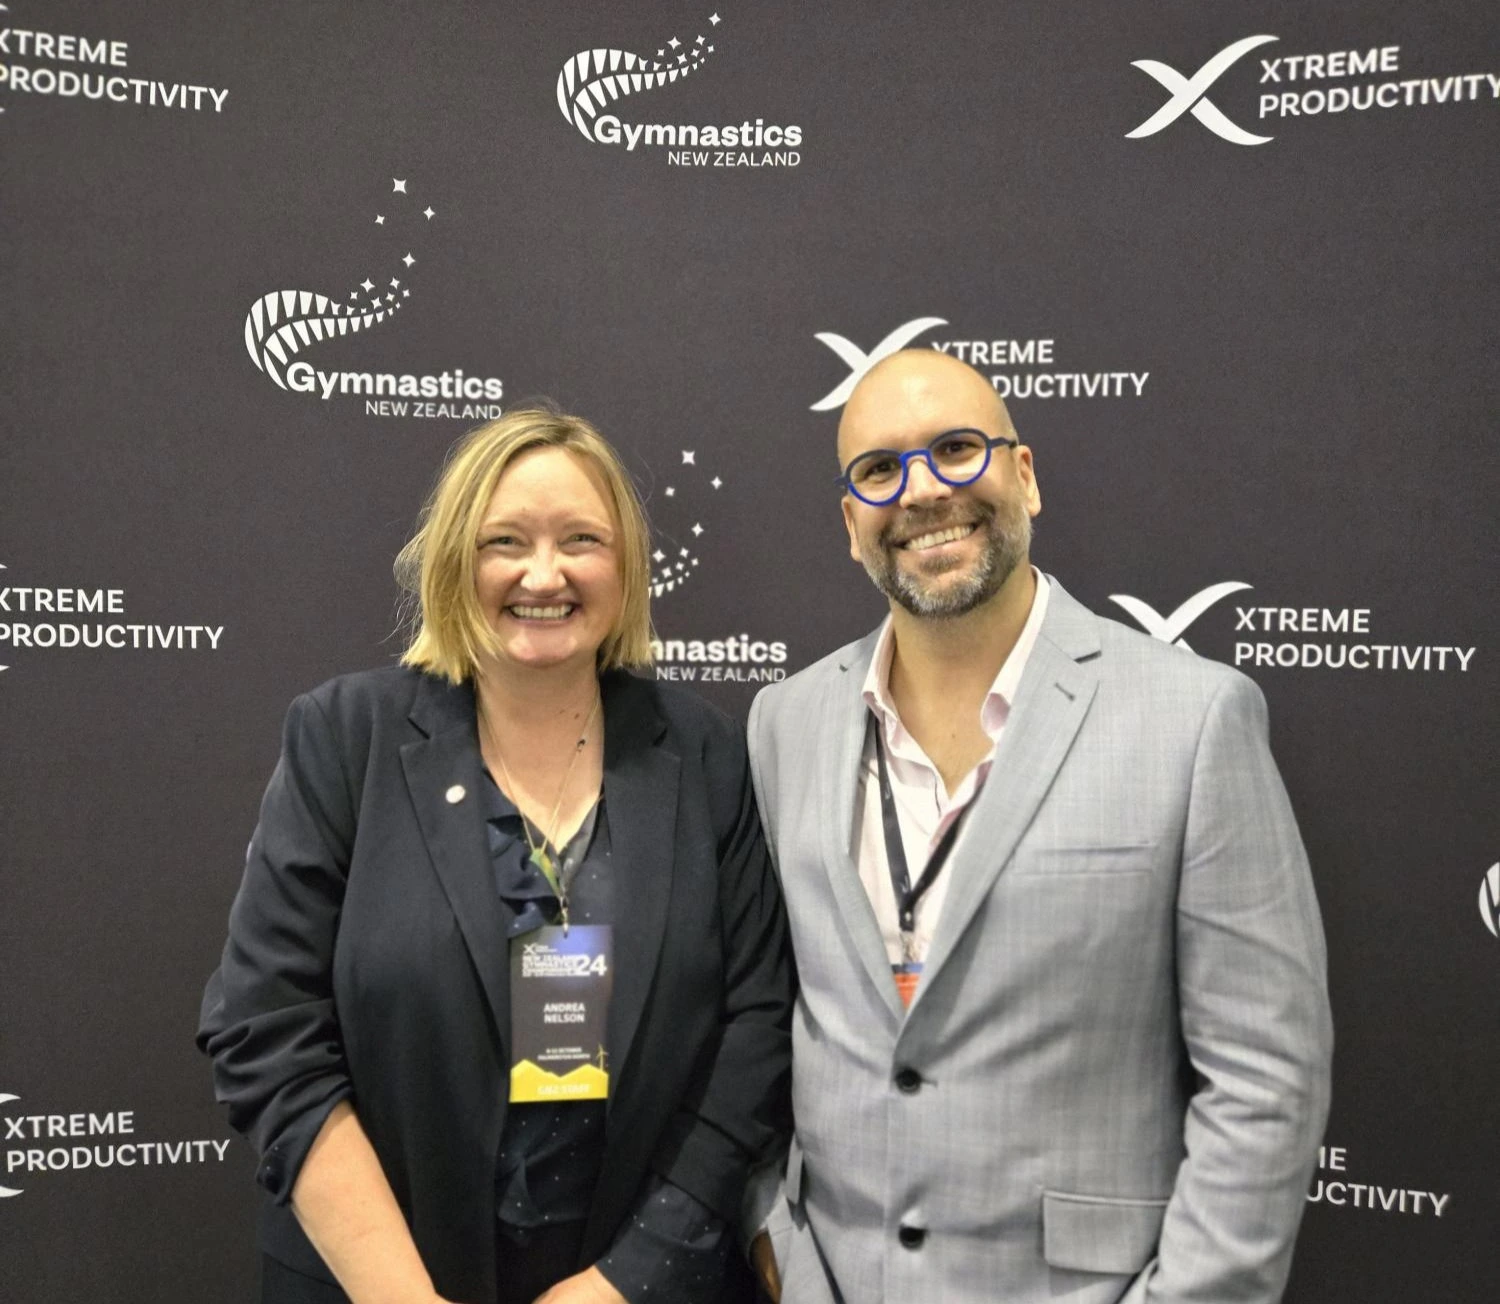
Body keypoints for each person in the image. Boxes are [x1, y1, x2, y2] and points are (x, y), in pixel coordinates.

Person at [743, 351, 1332, 1303]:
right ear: (853, 524)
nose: (925, 490)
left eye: (959, 449)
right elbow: (755, 1030)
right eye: (882, 471)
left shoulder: (1194, 721)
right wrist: (780, 1249)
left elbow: (1268, 1083)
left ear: (1025, 475)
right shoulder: (786, 723)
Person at [199, 405, 793, 1304]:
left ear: (624, 565)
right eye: (504, 541)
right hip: (380, 1276)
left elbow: (754, 1028)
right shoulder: (346, 739)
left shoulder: (704, 756)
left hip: (636, 1279)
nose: (543, 573)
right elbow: (265, 1030)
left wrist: (627, 1280)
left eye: (581, 539)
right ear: (453, 563)